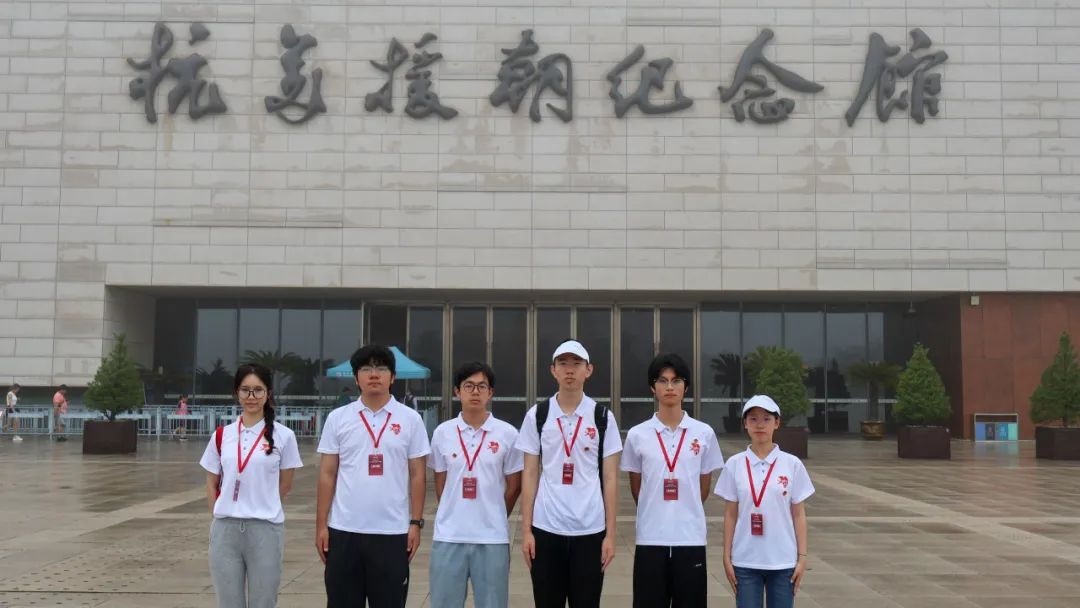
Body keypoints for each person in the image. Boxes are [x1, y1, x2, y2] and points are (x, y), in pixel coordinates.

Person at [316, 344, 431, 607]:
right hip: (344, 530)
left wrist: (415, 523)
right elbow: (327, 473)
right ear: (356, 378)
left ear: (393, 377)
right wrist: (321, 526)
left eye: (381, 368)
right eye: (366, 368)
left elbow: (417, 474)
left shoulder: (410, 419)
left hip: (392, 532)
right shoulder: (338, 418)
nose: (374, 374)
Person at [515, 339, 621, 608]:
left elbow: (610, 478)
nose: (570, 370)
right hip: (546, 528)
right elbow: (530, 473)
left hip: (590, 530)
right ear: (553, 370)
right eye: (563, 363)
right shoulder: (538, 415)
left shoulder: (602, 417)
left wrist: (610, 534)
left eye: (577, 363)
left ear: (589, 370)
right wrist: (526, 531)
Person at [621, 353, 724, 607]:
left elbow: (703, 487)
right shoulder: (637, 435)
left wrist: (684, 509)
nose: (669, 387)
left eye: (676, 381)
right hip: (650, 538)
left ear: (685, 387)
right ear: (652, 387)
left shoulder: (704, 433)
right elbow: (637, 486)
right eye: (663, 381)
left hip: (690, 538)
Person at [199, 363, 303, 608]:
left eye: (258, 390)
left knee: (263, 601)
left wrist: (262, 503)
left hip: (265, 529)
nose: (251, 396)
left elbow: (286, 484)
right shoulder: (222, 435)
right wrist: (219, 513)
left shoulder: (284, 436)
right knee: (228, 602)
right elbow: (211, 480)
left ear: (268, 393)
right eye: (245, 390)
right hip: (226, 530)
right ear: (237, 393)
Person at [428, 361, 523, 608]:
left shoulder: (508, 434)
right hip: (449, 535)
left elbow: (514, 486)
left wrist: (495, 512)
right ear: (457, 392)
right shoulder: (442, 433)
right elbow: (441, 483)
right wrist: (454, 510)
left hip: (492, 537)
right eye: (468, 386)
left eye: (482, 386)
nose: (475, 392)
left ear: (490, 393)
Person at [715, 395, 814, 608]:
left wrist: (802, 557)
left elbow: (799, 514)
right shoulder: (734, 464)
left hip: (783, 562)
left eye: (766, 419)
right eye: (753, 419)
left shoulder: (792, 464)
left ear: (777, 423)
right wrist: (726, 556)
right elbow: (730, 513)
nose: (760, 425)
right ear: (745, 424)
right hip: (745, 560)